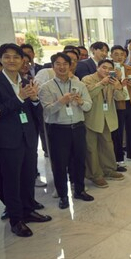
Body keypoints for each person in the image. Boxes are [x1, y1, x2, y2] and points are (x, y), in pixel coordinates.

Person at [0, 43, 52, 237]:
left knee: (28, 177)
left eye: (16, 57)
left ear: (23, 60)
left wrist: (35, 99)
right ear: (1, 59)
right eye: (7, 57)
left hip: (28, 137)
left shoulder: (26, 81)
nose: (11, 60)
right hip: (7, 140)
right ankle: (16, 219)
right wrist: (20, 99)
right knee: (11, 181)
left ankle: (28, 211)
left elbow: (36, 112)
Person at [38, 52, 94, 209]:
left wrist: (81, 101)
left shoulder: (79, 85)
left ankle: (80, 190)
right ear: (53, 66)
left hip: (77, 127)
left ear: (70, 66)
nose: (61, 67)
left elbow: (89, 106)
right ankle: (63, 195)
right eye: (58, 64)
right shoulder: (46, 87)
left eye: (65, 64)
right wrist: (61, 102)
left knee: (79, 161)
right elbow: (47, 111)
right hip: (58, 129)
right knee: (59, 163)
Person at [81, 59, 126, 188]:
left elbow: (120, 97)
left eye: (109, 69)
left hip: (107, 118)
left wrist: (118, 87)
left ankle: (109, 170)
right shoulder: (87, 79)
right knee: (91, 148)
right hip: (92, 118)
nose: (106, 71)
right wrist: (101, 83)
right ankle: (96, 175)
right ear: (97, 67)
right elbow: (87, 95)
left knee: (107, 145)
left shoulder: (112, 80)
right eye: (104, 67)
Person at [110, 45, 131, 164]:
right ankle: (118, 157)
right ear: (111, 55)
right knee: (118, 132)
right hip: (118, 104)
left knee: (130, 129)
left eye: (122, 54)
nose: (119, 57)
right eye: (116, 54)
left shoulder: (130, 69)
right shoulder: (110, 70)